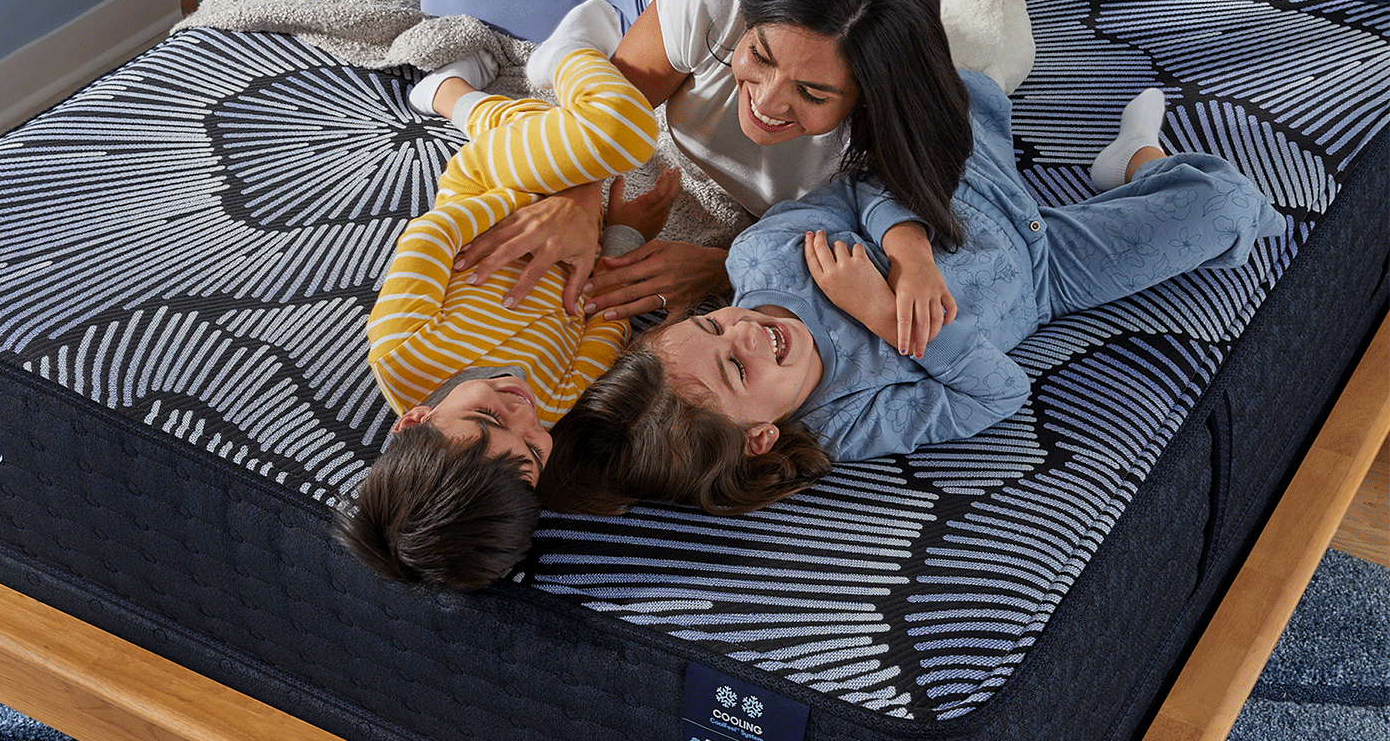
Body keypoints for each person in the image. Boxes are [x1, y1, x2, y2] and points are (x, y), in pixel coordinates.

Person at [537, 74, 1286, 518]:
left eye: (713, 322)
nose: (744, 329)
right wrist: (883, 315)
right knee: (1225, 212)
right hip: (1048, 274)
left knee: (957, 86)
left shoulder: (763, 252)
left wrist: (908, 250)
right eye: (736, 369)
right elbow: (997, 393)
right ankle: (1139, 159)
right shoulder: (847, 420)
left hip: (957, 191)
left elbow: (866, 182)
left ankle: (1115, 157)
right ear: (760, 435)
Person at [369, 0, 971, 358]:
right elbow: (602, 118)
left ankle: (598, 0)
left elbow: (886, 221)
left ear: (871, 98)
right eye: (758, 56)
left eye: (813, 96)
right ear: (750, 21)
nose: (765, 101)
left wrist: (718, 267)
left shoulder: (888, 138)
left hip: (663, 26)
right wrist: (578, 201)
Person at [334, 6, 677, 591]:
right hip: (578, 228)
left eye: (489, 416)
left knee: (622, 130)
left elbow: (431, 234)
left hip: (491, 189)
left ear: (413, 422)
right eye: (533, 453)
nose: (522, 413)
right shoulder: (553, 401)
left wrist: (528, 208)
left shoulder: (402, 354)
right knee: (544, 130)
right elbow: (601, 316)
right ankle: (451, 94)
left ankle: (563, 53)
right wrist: (618, 235)